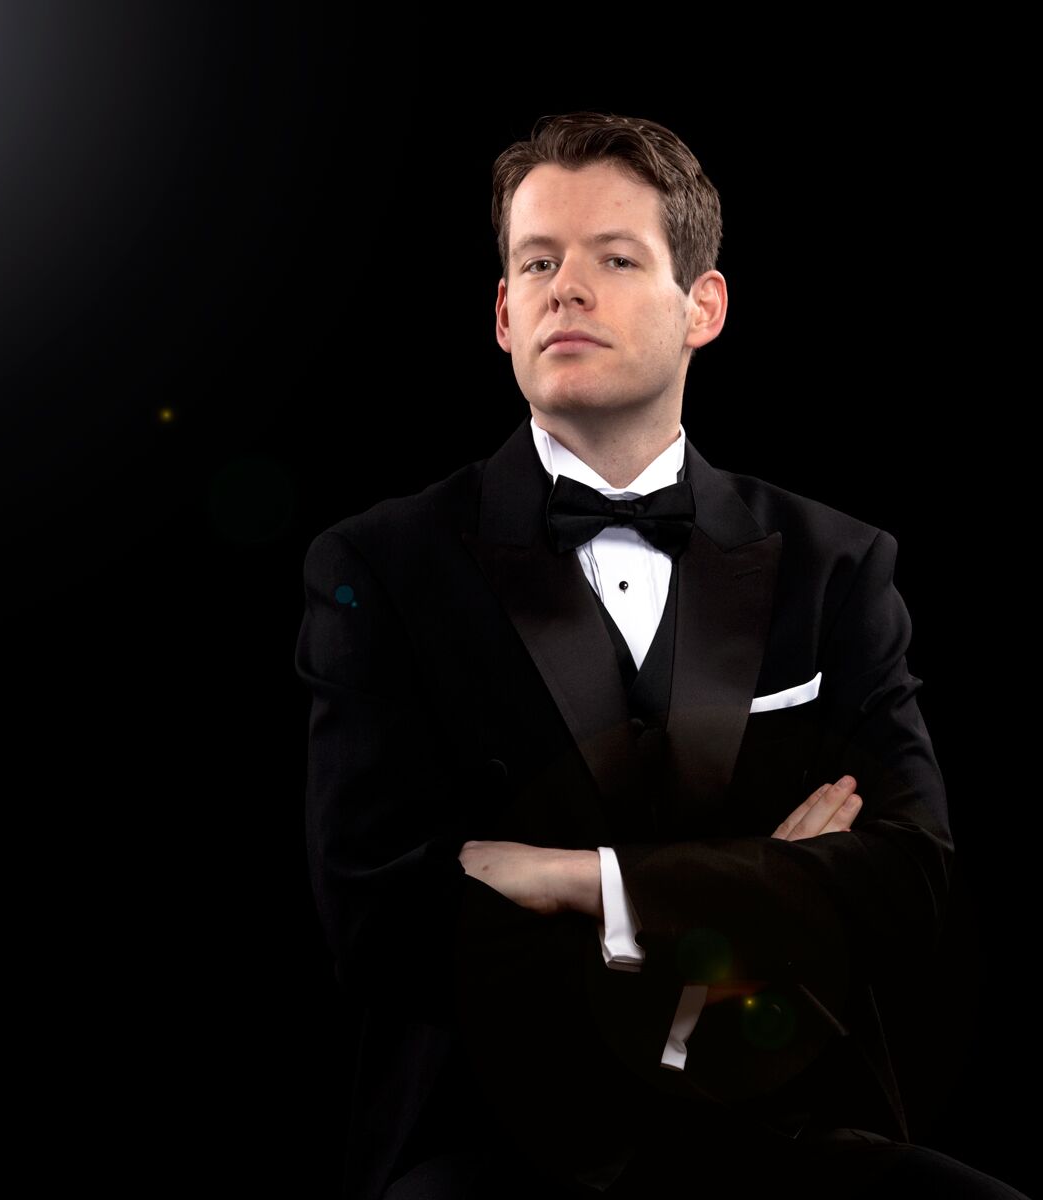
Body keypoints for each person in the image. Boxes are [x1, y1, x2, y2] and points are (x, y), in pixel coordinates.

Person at [294, 112, 1027, 1199]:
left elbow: (910, 882)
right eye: (537, 262)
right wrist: (759, 891)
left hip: (785, 1130)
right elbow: (385, 924)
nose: (565, 288)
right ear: (503, 314)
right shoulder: (380, 566)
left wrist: (579, 882)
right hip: (498, 1143)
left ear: (703, 307)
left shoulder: (839, 565)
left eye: (615, 259)